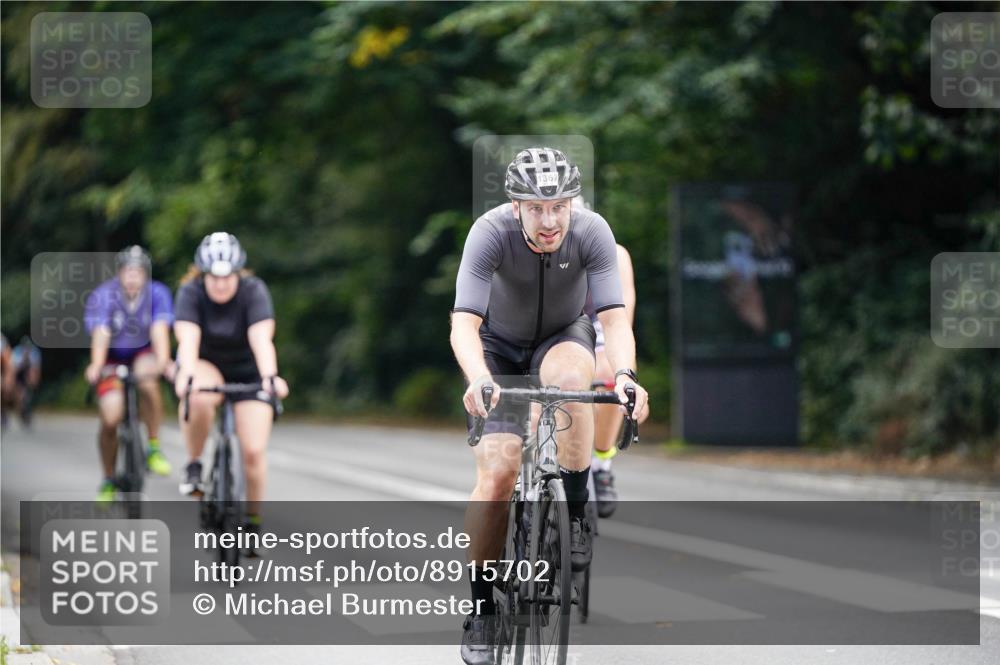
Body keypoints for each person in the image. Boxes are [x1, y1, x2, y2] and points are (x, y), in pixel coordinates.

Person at [451, 148, 649, 664]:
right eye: (536, 208)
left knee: (568, 383)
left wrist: (626, 375)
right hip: (499, 347)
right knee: (497, 472)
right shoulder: (489, 232)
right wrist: (478, 377)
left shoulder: (592, 232)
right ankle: (482, 610)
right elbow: (464, 323)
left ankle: (576, 508)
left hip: (564, 335)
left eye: (558, 206)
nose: (549, 220)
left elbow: (614, 321)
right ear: (515, 206)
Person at [173, 232, 288, 534]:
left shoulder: (254, 291)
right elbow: (188, 340)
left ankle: (252, 520)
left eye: (228, 277)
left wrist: (270, 378)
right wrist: (185, 374)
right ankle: (195, 463)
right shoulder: (190, 293)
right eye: (213, 278)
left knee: (253, 451)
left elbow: (262, 340)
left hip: (249, 370)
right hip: (207, 364)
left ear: (238, 273)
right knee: (197, 395)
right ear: (202, 275)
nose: (221, 284)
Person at [84, 246, 175, 504]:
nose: (133, 277)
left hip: (142, 353)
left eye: (138, 272)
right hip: (113, 357)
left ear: (146, 275)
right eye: (128, 272)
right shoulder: (105, 295)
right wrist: (96, 365)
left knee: (148, 378)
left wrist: (164, 360)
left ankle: (153, 447)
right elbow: (101, 332)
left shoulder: (157, 293)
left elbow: (159, 329)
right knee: (110, 419)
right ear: (120, 274)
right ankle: (109, 478)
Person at [584, 242, 637, 518]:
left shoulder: (613, 254)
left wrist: (622, 376)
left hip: (596, 322)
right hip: (547, 323)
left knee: (610, 374)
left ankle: (601, 462)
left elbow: (619, 322)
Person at [11, 335, 42, 428]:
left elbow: (36, 368)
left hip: (28, 374)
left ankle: (28, 410)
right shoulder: (17, 352)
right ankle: (20, 410)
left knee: (28, 394)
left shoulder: (34, 352)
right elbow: (13, 369)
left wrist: (35, 381)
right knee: (19, 396)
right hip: (18, 375)